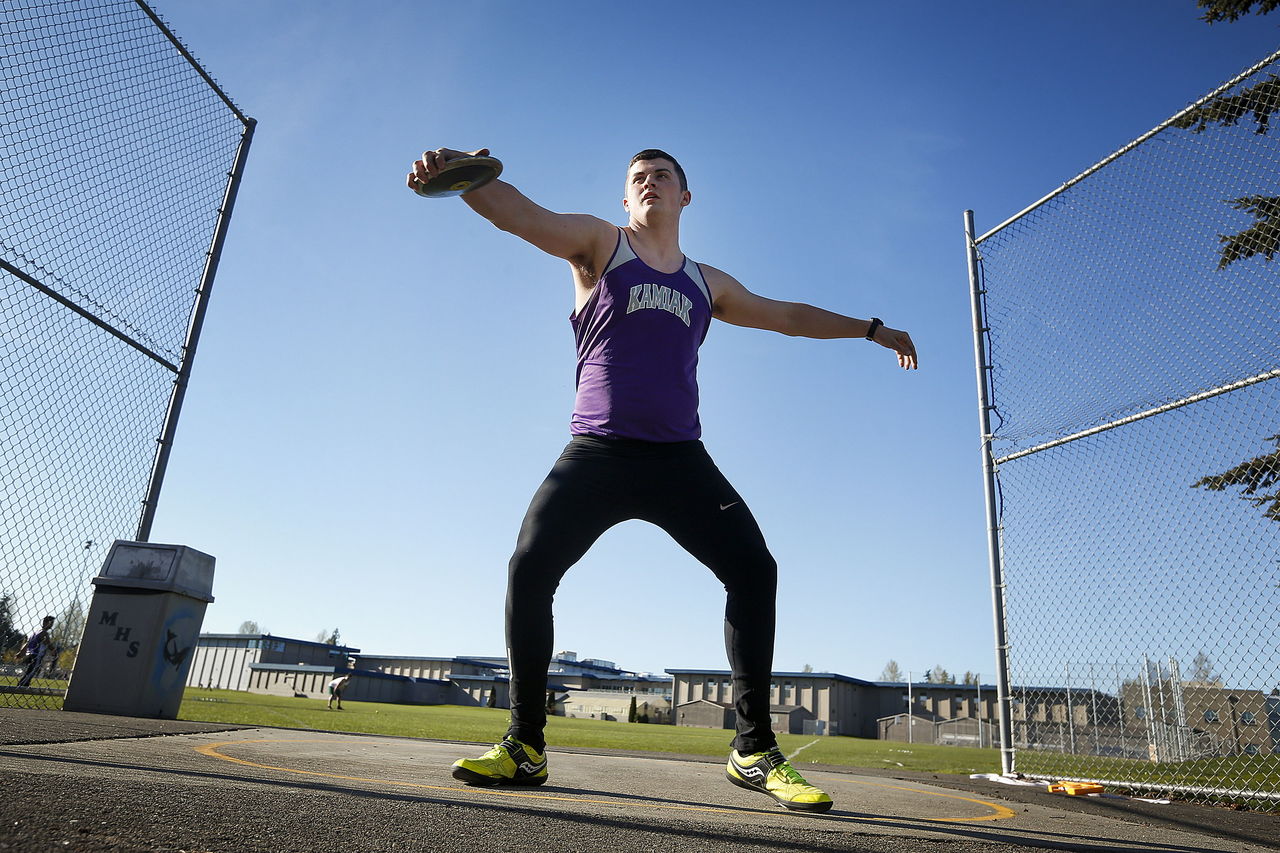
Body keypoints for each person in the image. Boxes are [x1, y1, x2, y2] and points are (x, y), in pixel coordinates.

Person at [407, 147, 917, 812]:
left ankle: (753, 749)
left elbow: (787, 316)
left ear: (685, 197)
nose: (650, 183)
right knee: (529, 566)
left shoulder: (707, 282)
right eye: (638, 178)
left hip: (679, 459)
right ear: (627, 200)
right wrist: (464, 178)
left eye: (663, 177)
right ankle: (524, 745)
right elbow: (521, 218)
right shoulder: (599, 242)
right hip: (597, 451)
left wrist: (872, 330)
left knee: (754, 568)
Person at [16, 615, 54, 688]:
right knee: (32, 671)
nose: (52, 625)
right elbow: (48, 643)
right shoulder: (44, 633)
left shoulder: (36, 631)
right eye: (51, 623)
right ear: (46, 623)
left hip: (31, 654)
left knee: (31, 671)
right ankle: (22, 685)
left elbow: (27, 643)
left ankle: (24, 684)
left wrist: (21, 653)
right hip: (37, 655)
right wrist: (53, 650)